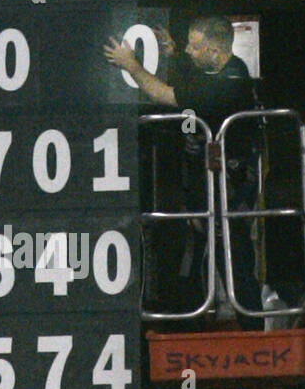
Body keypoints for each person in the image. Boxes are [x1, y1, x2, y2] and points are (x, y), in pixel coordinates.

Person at [103, 16, 264, 322]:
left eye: (195, 45)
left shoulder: (228, 84)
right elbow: (192, 74)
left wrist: (131, 65)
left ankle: (251, 324)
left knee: (233, 252)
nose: (189, 50)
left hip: (230, 184)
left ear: (216, 49)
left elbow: (163, 94)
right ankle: (198, 319)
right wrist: (172, 52)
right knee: (202, 246)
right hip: (207, 181)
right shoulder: (215, 70)